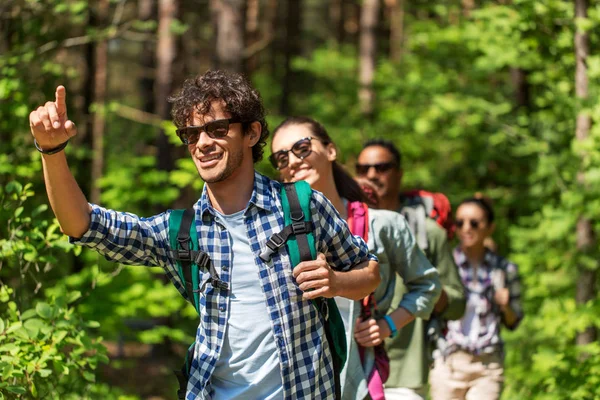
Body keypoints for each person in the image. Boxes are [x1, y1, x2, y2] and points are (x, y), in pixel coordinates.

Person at [28, 70, 381, 400]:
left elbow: (369, 273)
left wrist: (335, 283)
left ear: (252, 133)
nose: (202, 143)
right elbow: (82, 225)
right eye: (191, 134)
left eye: (217, 129)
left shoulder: (303, 206)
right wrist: (52, 151)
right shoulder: (181, 231)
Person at [270, 116, 442, 400]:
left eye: (302, 147)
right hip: (298, 384)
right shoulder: (275, 235)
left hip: (363, 378)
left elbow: (428, 284)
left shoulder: (383, 225)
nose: (293, 160)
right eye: (281, 157)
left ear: (331, 150)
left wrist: (388, 325)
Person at [356, 139, 466, 400]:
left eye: (382, 167)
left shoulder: (428, 233)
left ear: (399, 174)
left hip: (405, 373)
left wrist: (424, 284)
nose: (372, 174)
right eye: (363, 169)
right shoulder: (345, 226)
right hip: (352, 368)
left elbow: (458, 304)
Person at [429, 196, 523, 400]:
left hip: (487, 366)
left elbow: (514, 322)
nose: (466, 228)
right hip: (448, 363)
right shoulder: (444, 266)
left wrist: (505, 306)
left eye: (474, 223)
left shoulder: (505, 270)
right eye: (460, 222)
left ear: (489, 227)